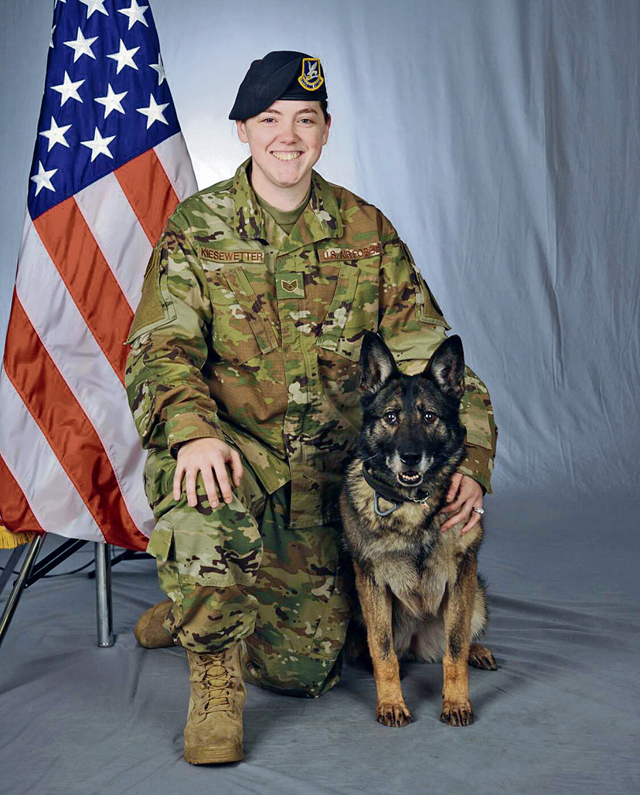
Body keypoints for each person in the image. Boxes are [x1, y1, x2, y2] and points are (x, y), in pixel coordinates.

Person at [125, 51, 498, 765]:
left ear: (326, 130)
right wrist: (193, 431)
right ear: (242, 130)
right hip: (239, 468)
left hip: (334, 490)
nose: (287, 137)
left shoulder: (366, 231)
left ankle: (202, 601)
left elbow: (436, 359)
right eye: (270, 120)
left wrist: (473, 461)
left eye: (305, 120)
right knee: (198, 498)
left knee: (304, 673)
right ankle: (212, 663)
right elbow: (157, 349)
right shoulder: (199, 228)